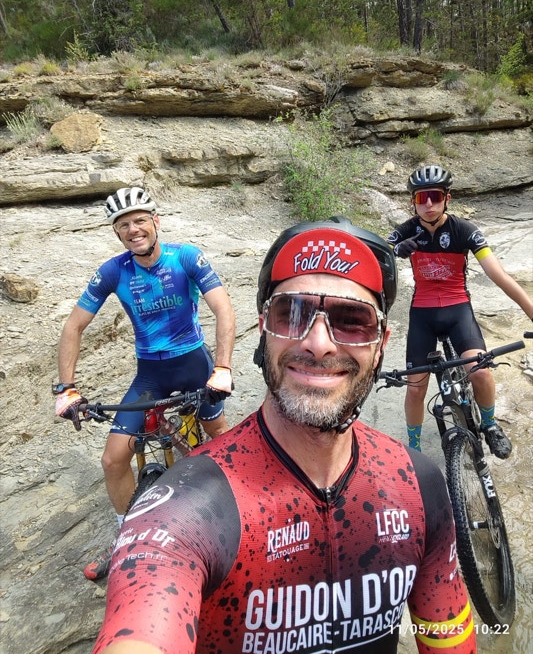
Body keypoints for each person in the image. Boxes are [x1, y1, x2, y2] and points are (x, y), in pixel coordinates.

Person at [92, 217, 477, 654]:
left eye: (352, 320)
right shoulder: (188, 508)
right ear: (263, 329)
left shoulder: (420, 486)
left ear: (381, 344)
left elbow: (450, 638)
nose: (319, 343)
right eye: (291, 314)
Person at [54, 186, 235, 581]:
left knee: (218, 433)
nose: (133, 229)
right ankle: (125, 534)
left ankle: (239, 506)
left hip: (194, 364)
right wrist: (66, 388)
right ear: (117, 232)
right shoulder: (114, 271)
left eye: (139, 220)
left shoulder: (186, 257)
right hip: (150, 373)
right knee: (113, 459)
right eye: (124, 225)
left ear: (156, 221)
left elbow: (223, 309)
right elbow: (73, 326)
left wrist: (222, 368)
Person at [387, 165, 533, 458]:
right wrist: (392, 253)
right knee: (415, 388)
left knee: (480, 372)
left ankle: (490, 425)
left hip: (457, 309)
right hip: (423, 312)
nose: (429, 204)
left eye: (436, 196)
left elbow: (498, 275)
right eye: (422, 198)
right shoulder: (405, 231)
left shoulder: (465, 231)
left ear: (447, 199)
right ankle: (414, 450)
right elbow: (373, 257)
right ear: (413, 201)